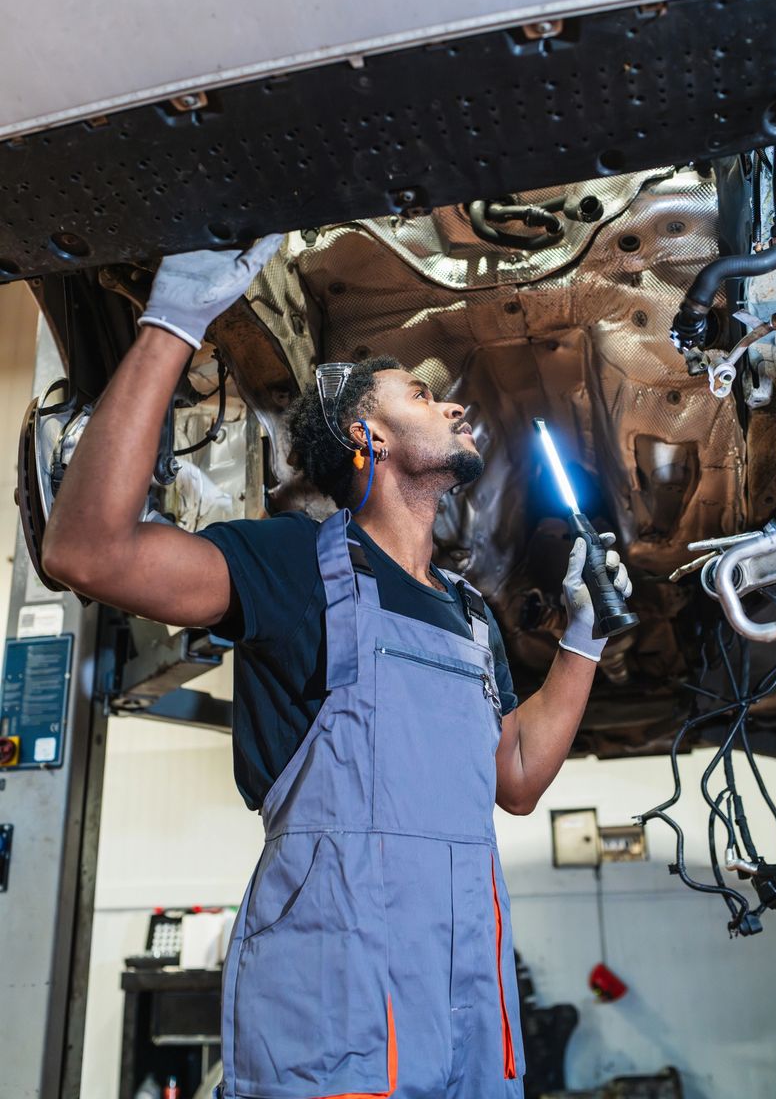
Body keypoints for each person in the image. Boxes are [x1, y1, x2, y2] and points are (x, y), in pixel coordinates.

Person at [43, 241, 632, 1099]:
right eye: (423, 395)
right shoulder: (291, 567)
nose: (458, 407)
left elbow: (514, 778)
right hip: (335, 1026)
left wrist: (581, 642)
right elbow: (86, 549)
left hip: (467, 1012)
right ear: (368, 433)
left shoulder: (471, 617)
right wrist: (175, 321)